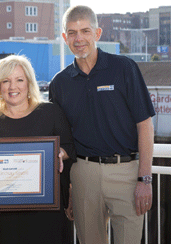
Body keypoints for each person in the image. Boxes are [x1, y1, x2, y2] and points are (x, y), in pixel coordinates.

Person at [49, 5, 155, 244]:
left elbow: (145, 126)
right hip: (83, 175)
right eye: (72, 33)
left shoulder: (124, 68)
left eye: (85, 31)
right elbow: (63, 141)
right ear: (65, 38)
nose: (79, 39)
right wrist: (70, 191)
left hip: (126, 174)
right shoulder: (59, 83)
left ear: (97, 33)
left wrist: (144, 179)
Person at [0, 55, 76, 244]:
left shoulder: (50, 112)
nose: (12, 87)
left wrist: (59, 154)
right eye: (5, 81)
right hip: (5, 213)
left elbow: (69, 147)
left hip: (47, 209)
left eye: (19, 80)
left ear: (29, 83)